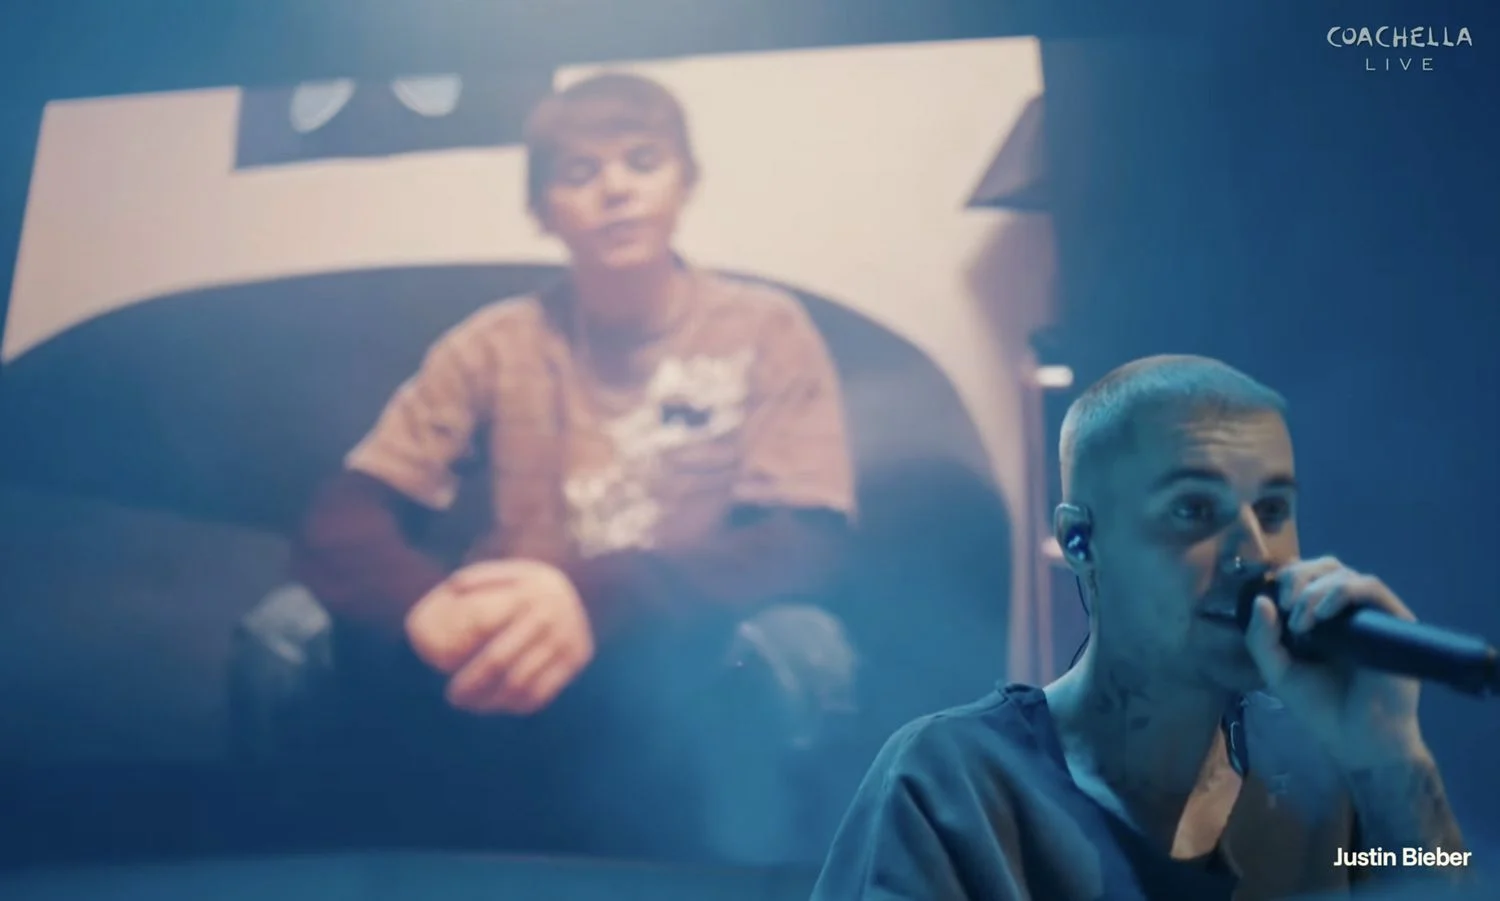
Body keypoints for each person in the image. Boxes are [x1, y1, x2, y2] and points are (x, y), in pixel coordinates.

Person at [256, 71, 859, 858]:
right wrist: (420, 603)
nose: (616, 189)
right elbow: (345, 513)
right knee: (283, 631)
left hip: (684, 644)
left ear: (687, 180)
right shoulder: (495, 341)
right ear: (542, 210)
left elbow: (806, 538)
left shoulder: (765, 328)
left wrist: (593, 595)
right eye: (579, 172)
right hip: (501, 651)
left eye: (643, 160)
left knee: (807, 646)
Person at [811, 355, 1470, 900]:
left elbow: (1432, 875)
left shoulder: (1327, 769)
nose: (1255, 551)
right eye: (1193, 508)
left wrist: (1392, 757)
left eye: (1273, 509)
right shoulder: (954, 786)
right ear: (1080, 539)